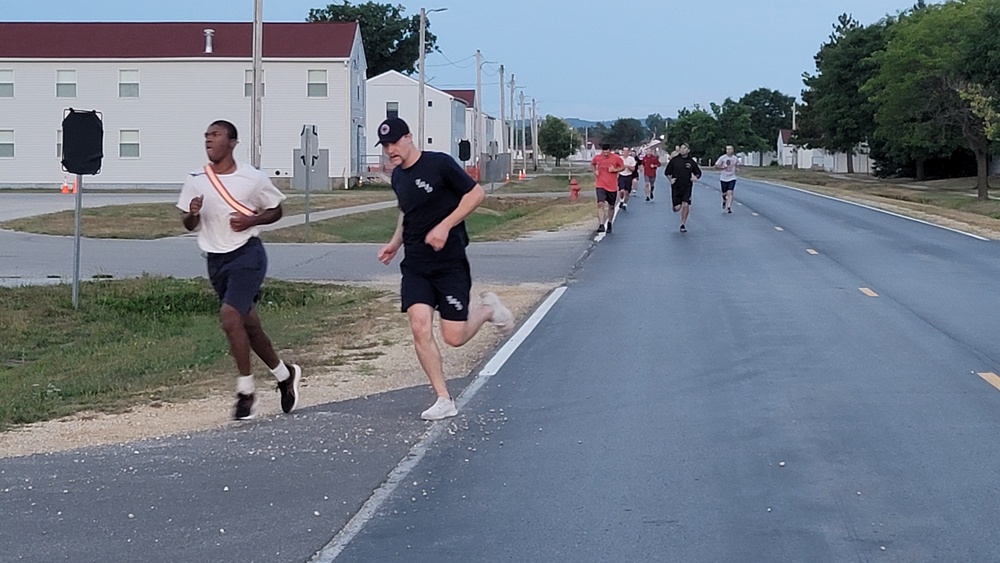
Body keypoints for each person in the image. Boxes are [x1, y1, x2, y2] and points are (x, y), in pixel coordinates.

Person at [375, 117, 515, 421]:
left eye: (394, 143)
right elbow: (406, 212)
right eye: (385, 146)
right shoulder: (398, 177)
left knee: (453, 337)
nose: (390, 150)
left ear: (409, 137)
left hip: (449, 262)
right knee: (419, 325)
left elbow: (475, 194)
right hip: (415, 264)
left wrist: (445, 226)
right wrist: (395, 242)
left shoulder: (439, 164)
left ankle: (487, 310)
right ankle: (443, 398)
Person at [177, 120, 302, 420]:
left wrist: (251, 221)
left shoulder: (252, 178)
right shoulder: (196, 179)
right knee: (249, 325)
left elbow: (276, 209)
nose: (209, 140)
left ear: (232, 143)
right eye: (206, 135)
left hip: (247, 256)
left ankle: (246, 393)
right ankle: (285, 375)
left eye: (216, 135)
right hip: (215, 260)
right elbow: (187, 223)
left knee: (229, 316)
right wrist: (192, 214)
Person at [664, 143, 702, 233]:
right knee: (677, 208)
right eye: (681, 148)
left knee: (686, 204)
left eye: (684, 148)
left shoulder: (691, 162)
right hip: (676, 186)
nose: (682, 150)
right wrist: (670, 179)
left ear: (688, 150)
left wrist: (695, 177)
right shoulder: (674, 160)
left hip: (687, 186)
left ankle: (683, 224)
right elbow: (667, 172)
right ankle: (675, 207)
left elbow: (698, 172)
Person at [590, 143, 624, 233]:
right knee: (600, 204)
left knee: (611, 206)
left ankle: (609, 222)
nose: (605, 154)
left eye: (607, 152)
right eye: (604, 152)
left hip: (612, 186)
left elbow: (622, 167)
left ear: (610, 150)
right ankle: (601, 225)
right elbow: (592, 164)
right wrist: (595, 171)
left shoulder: (616, 158)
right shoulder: (598, 158)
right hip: (600, 184)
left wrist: (615, 170)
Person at [715, 145, 739, 213]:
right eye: (727, 149)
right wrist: (722, 167)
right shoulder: (722, 158)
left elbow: (737, 165)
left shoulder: (735, 158)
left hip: (732, 177)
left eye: (729, 149)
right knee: (724, 193)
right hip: (723, 178)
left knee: (730, 192)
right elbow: (716, 166)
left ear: (732, 150)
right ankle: (724, 200)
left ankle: (729, 207)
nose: (728, 151)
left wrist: (737, 169)